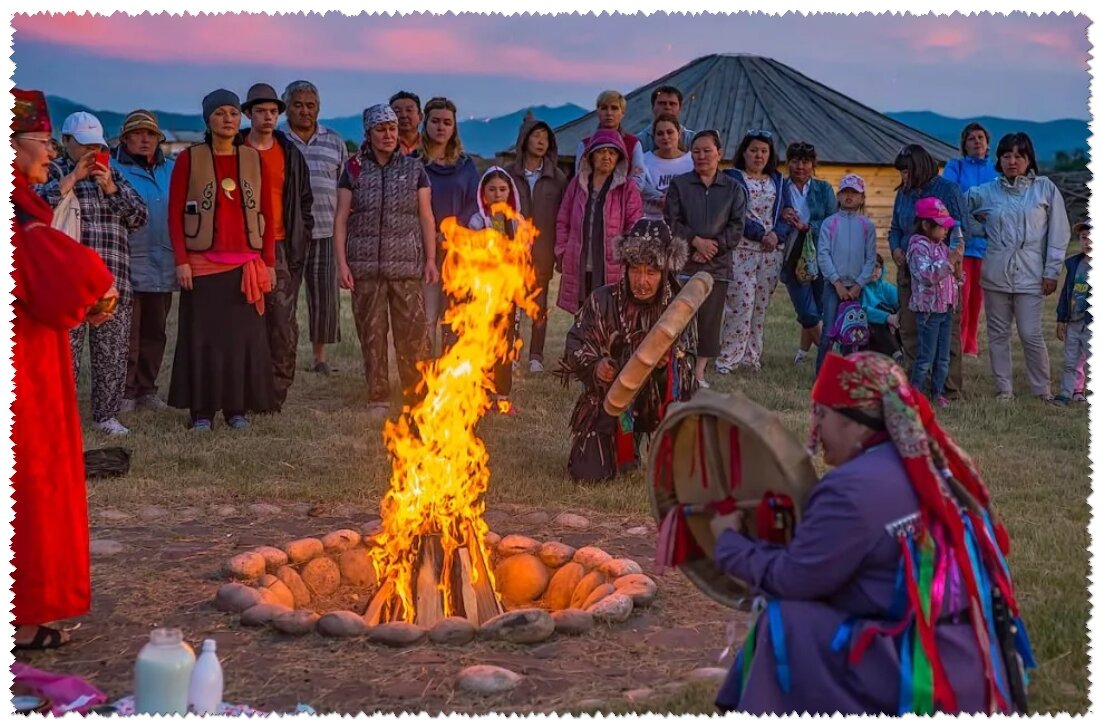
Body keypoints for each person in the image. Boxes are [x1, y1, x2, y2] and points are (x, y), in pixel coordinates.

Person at [711, 351, 1035, 715]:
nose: (814, 427)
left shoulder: (851, 488)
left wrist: (729, 544)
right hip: (973, 661)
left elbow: (794, 579)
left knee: (786, 621)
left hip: (925, 674)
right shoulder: (928, 464)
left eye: (822, 412)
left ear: (860, 424)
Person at [11, 88, 116, 650]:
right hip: (25, 370)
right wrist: (98, 290)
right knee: (31, 480)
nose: (50, 153)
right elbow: (60, 271)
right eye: (43, 142)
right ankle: (28, 613)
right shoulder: (17, 215)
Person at [167, 89, 277, 431]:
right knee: (203, 340)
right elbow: (174, 213)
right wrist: (182, 260)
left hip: (245, 264)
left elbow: (267, 214)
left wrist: (270, 262)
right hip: (202, 264)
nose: (228, 119)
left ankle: (236, 409)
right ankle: (202, 412)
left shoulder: (253, 160)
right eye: (220, 113)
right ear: (208, 120)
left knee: (239, 342)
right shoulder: (190, 158)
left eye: (233, 113)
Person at [36, 110, 149, 436]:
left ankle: (106, 415)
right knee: (63, 356)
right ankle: (58, 416)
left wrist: (111, 187)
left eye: (96, 146)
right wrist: (71, 179)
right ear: (67, 141)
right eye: (84, 145)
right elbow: (35, 208)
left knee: (111, 355)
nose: (90, 153)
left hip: (112, 281)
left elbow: (140, 217)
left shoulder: (112, 175)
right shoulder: (53, 170)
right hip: (66, 283)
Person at [557, 219, 697, 481]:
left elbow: (689, 371)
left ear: (666, 271)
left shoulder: (678, 310)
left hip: (661, 401)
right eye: (635, 270)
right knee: (588, 474)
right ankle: (620, 446)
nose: (641, 281)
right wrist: (597, 366)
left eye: (651, 272)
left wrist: (666, 367)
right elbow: (575, 344)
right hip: (611, 400)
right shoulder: (602, 299)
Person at [335, 104, 438, 422]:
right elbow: (340, 219)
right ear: (368, 133)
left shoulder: (413, 169)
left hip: (406, 266)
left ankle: (415, 393)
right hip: (366, 268)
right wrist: (342, 263)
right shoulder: (353, 169)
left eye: (392, 129)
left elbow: (426, 216)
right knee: (372, 333)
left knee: (413, 335)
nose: (388, 135)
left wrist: (431, 259)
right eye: (381, 129)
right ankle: (378, 394)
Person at [965, 132, 1070, 402]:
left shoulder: (1044, 189)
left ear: (1028, 159)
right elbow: (959, 209)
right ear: (999, 159)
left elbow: (1059, 232)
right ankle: (1004, 390)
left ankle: (1041, 390)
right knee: (998, 334)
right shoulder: (986, 192)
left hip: (1032, 271)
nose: (1012, 161)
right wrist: (980, 228)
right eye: (1006, 155)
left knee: (1030, 333)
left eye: (1019, 156)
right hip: (996, 269)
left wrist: (1051, 271)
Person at [241, 82, 315, 411]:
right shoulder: (233, 149)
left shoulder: (289, 153)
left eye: (273, 112)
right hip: (239, 247)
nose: (268, 117)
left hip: (282, 246)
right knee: (243, 323)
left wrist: (303, 237)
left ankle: (274, 395)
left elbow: (304, 201)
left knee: (282, 323)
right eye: (260, 111)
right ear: (248, 114)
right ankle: (242, 391)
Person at [664, 130, 746, 387]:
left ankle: (699, 373)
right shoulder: (680, 184)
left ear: (719, 154)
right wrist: (695, 242)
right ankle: (677, 368)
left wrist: (713, 248)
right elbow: (672, 221)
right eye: (696, 151)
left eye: (707, 150)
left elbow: (737, 226)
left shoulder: (733, 188)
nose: (701, 156)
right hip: (684, 261)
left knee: (709, 320)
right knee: (678, 317)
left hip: (717, 265)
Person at [888, 144, 967, 398]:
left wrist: (952, 263)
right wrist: (896, 250)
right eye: (901, 172)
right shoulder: (904, 193)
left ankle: (948, 388)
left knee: (947, 331)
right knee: (911, 329)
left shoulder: (947, 190)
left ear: (920, 167)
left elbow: (960, 230)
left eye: (907, 171)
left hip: (941, 274)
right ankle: (917, 386)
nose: (904, 177)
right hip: (909, 269)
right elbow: (895, 229)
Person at [281, 80, 348, 375]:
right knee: (285, 298)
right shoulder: (278, 141)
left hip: (326, 231)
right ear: (287, 108)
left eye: (310, 105)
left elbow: (345, 187)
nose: (304, 111)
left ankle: (320, 358)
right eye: (297, 105)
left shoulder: (334, 142)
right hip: (286, 235)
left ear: (318, 108)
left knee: (324, 299)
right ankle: (284, 355)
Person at [113, 109, 176, 412]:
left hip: (164, 263)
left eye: (150, 134)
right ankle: (125, 392)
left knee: (156, 331)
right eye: (137, 133)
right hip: (127, 263)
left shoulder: (173, 170)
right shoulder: (113, 169)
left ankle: (148, 391)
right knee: (128, 334)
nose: (144, 139)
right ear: (125, 138)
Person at [717, 130, 795, 373]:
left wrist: (776, 235)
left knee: (760, 306)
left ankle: (751, 358)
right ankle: (728, 359)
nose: (758, 155)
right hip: (743, 249)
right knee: (741, 302)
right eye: (753, 150)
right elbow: (733, 213)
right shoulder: (732, 178)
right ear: (744, 152)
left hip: (771, 252)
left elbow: (787, 213)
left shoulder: (778, 182)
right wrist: (760, 233)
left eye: (763, 151)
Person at [555, 129, 644, 315]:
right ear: (591, 156)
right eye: (601, 151)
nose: (606, 157)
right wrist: (562, 250)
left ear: (619, 158)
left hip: (611, 264)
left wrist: (625, 254)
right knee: (581, 316)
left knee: (608, 316)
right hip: (578, 262)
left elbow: (634, 226)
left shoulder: (627, 189)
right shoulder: (576, 185)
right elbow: (563, 220)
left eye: (612, 153)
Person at [505, 111, 568, 374]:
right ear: (524, 141)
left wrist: (559, 250)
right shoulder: (509, 175)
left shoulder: (557, 177)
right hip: (511, 252)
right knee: (511, 305)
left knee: (539, 305)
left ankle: (536, 355)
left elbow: (563, 216)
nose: (541, 142)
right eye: (536, 137)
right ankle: (512, 351)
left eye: (545, 138)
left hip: (542, 250)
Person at [419, 96, 480, 351]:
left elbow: (475, 202)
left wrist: (452, 233)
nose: (441, 127)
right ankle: (421, 373)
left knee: (454, 314)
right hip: (424, 250)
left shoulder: (465, 165)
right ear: (426, 123)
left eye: (447, 122)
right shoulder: (414, 163)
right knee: (427, 315)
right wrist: (430, 236)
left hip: (458, 251)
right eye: (435, 121)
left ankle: (450, 370)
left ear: (454, 127)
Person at [468, 167, 525, 413]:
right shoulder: (477, 221)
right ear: (484, 193)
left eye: (503, 189)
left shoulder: (518, 221)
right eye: (492, 189)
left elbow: (524, 255)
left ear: (510, 192)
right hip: (484, 292)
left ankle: (502, 394)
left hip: (509, 291)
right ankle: (481, 394)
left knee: (505, 344)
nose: (498, 194)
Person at [942, 123, 998, 358]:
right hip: (960, 242)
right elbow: (948, 194)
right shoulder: (955, 167)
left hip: (986, 244)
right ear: (964, 144)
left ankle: (971, 345)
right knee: (960, 297)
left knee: (977, 298)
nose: (977, 141)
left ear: (987, 143)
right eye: (972, 138)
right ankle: (957, 343)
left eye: (981, 137)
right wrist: (970, 213)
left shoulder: (996, 171)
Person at [780, 141, 838, 364]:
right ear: (788, 163)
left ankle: (802, 354)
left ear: (813, 164)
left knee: (820, 309)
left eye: (805, 161)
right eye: (795, 161)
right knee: (807, 313)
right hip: (792, 254)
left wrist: (808, 227)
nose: (800, 167)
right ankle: (834, 361)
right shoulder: (781, 187)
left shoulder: (823, 189)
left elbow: (833, 222)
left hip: (821, 253)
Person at [816, 174, 877, 372]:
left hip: (856, 289)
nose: (849, 196)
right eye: (845, 192)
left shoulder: (867, 226)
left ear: (862, 198)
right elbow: (823, 254)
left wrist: (859, 284)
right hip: (834, 286)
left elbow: (870, 258)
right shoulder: (829, 223)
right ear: (839, 196)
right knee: (828, 332)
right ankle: (822, 375)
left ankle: (847, 375)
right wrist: (837, 282)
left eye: (854, 193)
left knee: (853, 333)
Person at [907, 198, 959, 407]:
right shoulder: (918, 247)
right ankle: (915, 394)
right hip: (929, 311)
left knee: (943, 357)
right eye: (942, 226)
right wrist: (950, 263)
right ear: (926, 225)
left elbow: (952, 277)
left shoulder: (942, 247)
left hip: (945, 309)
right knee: (925, 357)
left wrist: (957, 269)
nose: (946, 230)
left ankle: (938, 392)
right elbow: (926, 275)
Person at [573, 90, 648, 190]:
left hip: (623, 202)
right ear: (598, 112)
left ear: (622, 113)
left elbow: (639, 178)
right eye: (604, 108)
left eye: (614, 108)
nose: (609, 113)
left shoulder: (633, 143)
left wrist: (619, 194)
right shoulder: (585, 144)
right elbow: (579, 178)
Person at [1054, 221, 1091, 406]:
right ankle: (1068, 392)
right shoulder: (1074, 264)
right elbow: (1065, 295)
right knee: (1071, 359)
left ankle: (1082, 391)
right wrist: (1061, 319)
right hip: (1074, 322)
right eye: (1084, 237)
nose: (1088, 241)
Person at [641, 113, 693, 219]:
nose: (665, 137)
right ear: (654, 137)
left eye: (670, 132)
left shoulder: (693, 160)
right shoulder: (644, 160)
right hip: (653, 222)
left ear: (678, 133)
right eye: (660, 133)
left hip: (687, 222)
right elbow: (641, 188)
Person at [861, 255, 902, 360]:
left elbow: (903, 304)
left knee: (897, 311)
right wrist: (887, 318)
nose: (874, 271)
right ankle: (897, 355)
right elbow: (863, 311)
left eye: (877, 266)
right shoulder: (859, 289)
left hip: (892, 330)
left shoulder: (886, 287)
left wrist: (896, 317)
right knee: (878, 320)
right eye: (870, 266)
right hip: (865, 334)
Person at [635, 85, 696, 153]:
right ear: (653, 107)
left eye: (672, 104)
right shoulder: (639, 141)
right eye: (662, 103)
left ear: (680, 108)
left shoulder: (692, 139)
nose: (667, 107)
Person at [390, 90, 423, 157]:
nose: (404, 115)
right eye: (397, 111)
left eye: (409, 110)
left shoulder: (431, 144)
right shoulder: (382, 145)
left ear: (420, 116)